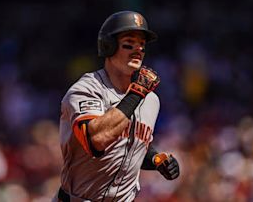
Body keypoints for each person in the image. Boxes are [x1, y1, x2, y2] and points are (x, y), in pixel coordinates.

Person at [54, 11, 180, 202]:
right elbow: (96, 140)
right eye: (129, 43)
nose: (138, 49)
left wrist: (156, 159)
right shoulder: (87, 88)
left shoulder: (151, 100)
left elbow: (132, 143)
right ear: (108, 46)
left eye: (142, 45)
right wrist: (136, 94)